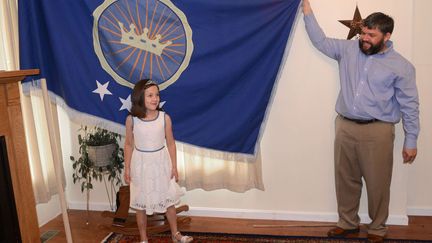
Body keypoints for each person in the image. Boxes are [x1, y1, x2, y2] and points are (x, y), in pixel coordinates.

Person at [302, 1, 419, 242]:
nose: (364, 38)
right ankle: (347, 223)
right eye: (363, 33)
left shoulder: (402, 67)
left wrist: (411, 139)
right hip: (344, 126)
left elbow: (410, 105)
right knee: (345, 179)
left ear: (386, 36)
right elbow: (320, 42)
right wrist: (307, 12)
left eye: (371, 35)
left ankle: (377, 229)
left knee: (378, 183)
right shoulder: (348, 50)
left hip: (379, 131)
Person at [124, 79, 193, 243]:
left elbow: (170, 143)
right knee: (141, 204)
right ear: (140, 97)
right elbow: (128, 144)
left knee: (168, 199)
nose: (155, 99)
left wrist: (174, 166)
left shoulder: (164, 118)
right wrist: (127, 168)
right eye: (150, 95)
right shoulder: (131, 120)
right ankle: (143, 238)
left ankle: (175, 234)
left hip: (161, 163)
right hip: (140, 165)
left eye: (157, 95)